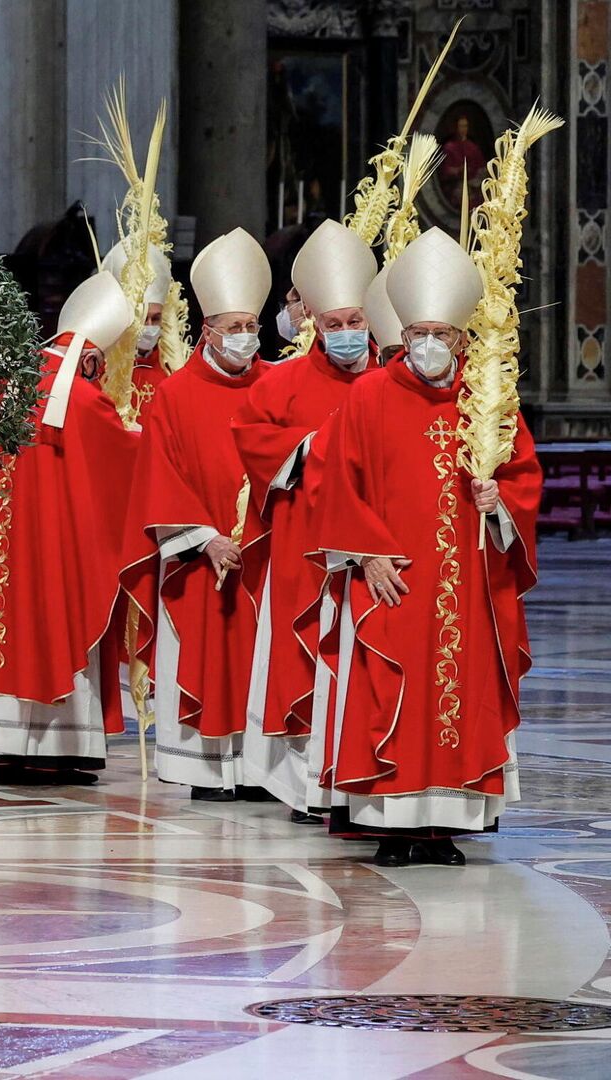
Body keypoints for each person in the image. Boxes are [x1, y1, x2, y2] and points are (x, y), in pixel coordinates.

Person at [313, 227, 540, 868]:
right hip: (396, 574)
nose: (431, 346)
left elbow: (522, 477)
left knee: (461, 693)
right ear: (403, 336)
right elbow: (337, 483)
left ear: (463, 341)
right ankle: (393, 824)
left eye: (444, 336)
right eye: (420, 336)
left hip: (468, 579)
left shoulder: (488, 401)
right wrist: (367, 553)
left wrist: (502, 505)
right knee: (393, 692)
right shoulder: (369, 396)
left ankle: (443, 827)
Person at [232, 220, 379, 821]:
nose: (345, 334)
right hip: (304, 546)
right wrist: (320, 449)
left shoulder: (390, 381)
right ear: (314, 322)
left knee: (365, 667)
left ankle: (363, 778)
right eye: (334, 323)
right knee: (303, 663)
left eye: (355, 322)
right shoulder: (283, 382)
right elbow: (251, 436)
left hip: (375, 550)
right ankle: (305, 788)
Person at [121, 229, 272, 801]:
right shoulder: (176, 395)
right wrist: (206, 540)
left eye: (250, 327)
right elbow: (160, 477)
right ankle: (205, 768)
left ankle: (259, 767)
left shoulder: (273, 386)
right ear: (207, 330)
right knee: (208, 654)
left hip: (261, 556)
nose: (244, 338)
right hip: (199, 558)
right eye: (233, 328)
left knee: (259, 661)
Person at [0, 270, 140, 785]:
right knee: (62, 620)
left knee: (10, 623)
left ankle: (7, 743)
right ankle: (65, 748)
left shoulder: (5, 382)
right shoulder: (85, 399)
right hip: (62, 546)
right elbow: (129, 459)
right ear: (90, 358)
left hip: (5, 541)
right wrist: (139, 433)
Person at [101, 239, 172, 415]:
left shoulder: (170, 371)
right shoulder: (103, 371)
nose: (149, 327)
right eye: (142, 318)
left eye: (155, 319)